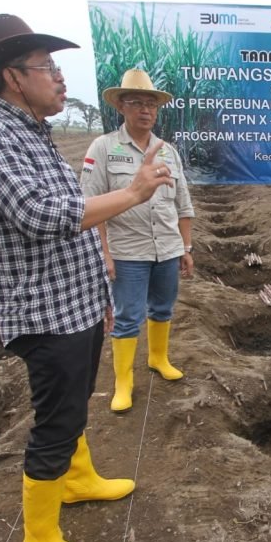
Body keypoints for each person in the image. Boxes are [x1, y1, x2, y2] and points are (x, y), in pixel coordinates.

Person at [0, 14, 173, 542]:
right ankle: (40, 537)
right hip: (43, 310)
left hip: (72, 301)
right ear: (11, 76)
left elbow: (69, 216)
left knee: (75, 403)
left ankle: (78, 479)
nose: (59, 77)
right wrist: (132, 193)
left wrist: (97, 280)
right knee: (54, 421)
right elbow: (40, 215)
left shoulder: (31, 132)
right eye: (47, 67)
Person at [81, 70, 195, 413]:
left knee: (163, 307)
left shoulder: (169, 152)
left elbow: (183, 202)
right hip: (127, 250)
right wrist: (104, 254)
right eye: (136, 103)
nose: (145, 110)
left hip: (168, 248)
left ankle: (159, 359)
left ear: (157, 110)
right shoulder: (103, 148)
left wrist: (186, 247)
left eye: (150, 104)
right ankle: (123, 381)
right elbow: (90, 205)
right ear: (121, 106)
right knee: (128, 316)